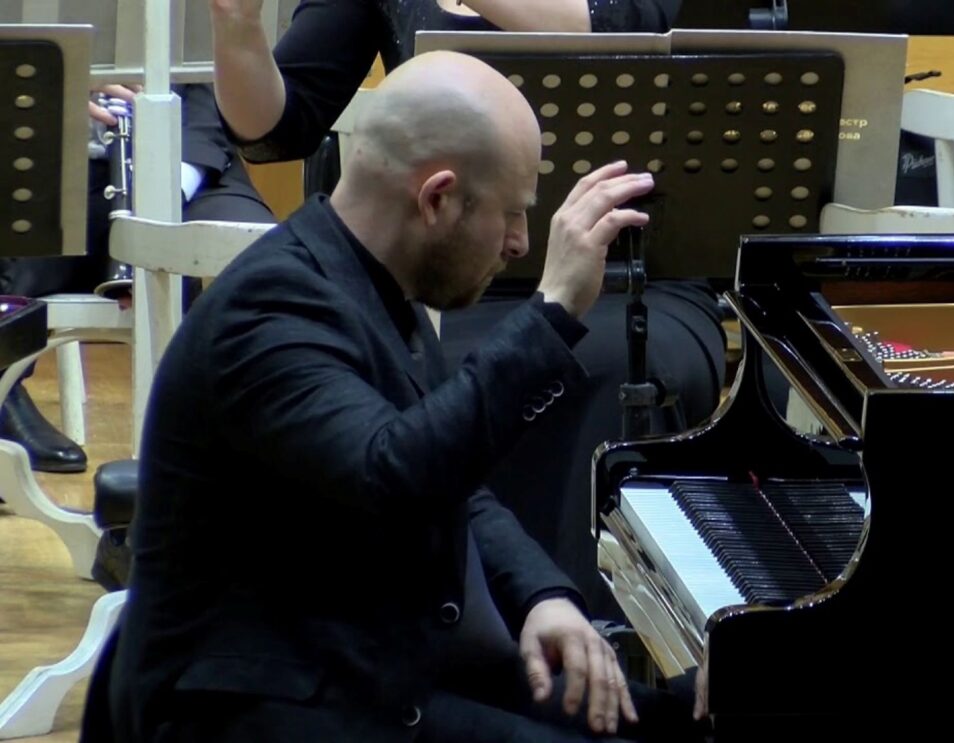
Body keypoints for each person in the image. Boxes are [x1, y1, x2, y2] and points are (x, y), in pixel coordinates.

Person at [107, 51, 707, 743]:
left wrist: (540, 593)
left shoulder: (373, 280)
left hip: (360, 664)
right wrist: (553, 311)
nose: (519, 244)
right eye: (512, 215)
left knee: (672, 721)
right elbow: (393, 475)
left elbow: (457, 486)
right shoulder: (272, 310)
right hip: (251, 705)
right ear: (437, 198)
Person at [206, 0, 723, 622]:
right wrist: (236, 27)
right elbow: (278, 128)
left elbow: (632, 29)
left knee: (612, 364)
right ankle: (447, 626)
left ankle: (584, 627)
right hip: (448, 275)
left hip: (634, 274)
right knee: (406, 371)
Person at [0, 83, 272, 475]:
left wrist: (165, 193)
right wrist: (40, 95)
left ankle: (249, 426)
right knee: (20, 241)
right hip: (46, 167)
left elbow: (213, 84)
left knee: (270, 261)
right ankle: (4, 388)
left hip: (191, 161)